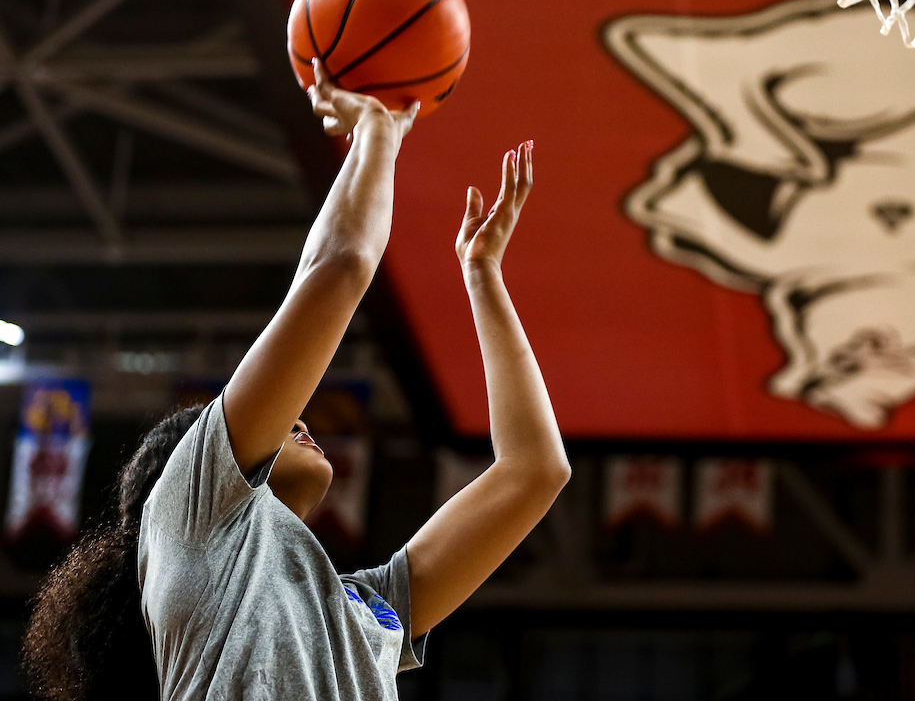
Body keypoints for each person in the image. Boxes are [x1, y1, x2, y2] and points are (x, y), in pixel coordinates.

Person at [23, 59, 570, 701]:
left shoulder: (362, 610)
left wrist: (483, 276)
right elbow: (338, 267)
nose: (299, 418)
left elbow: (534, 470)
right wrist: (376, 135)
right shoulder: (184, 518)